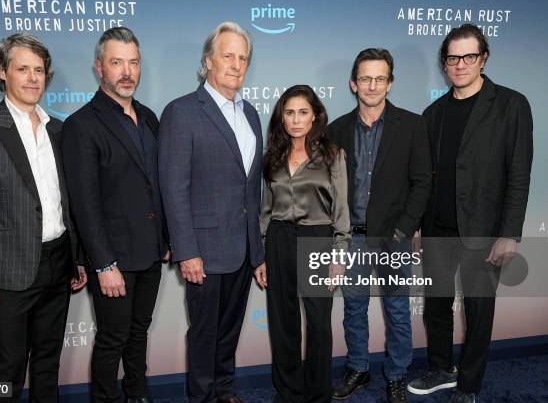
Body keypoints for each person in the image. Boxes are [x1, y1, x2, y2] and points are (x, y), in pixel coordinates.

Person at [0, 33, 87, 402]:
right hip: (8, 270)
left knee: (48, 362)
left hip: (58, 263)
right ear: (1, 73)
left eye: (39, 70)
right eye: (22, 69)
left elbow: (65, 201)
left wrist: (77, 258)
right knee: (9, 367)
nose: (32, 78)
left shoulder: (59, 129)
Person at [407, 24, 533, 403]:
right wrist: (416, 225)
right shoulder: (433, 113)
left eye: (469, 56)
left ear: (483, 59)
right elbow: (423, 177)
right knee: (437, 306)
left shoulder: (511, 105)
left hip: (485, 229)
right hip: (437, 228)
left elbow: (518, 174)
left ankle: (469, 384)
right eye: (452, 57)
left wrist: (509, 232)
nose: (460, 64)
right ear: (444, 63)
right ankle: (442, 369)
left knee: (479, 311)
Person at [61, 27, 169, 403]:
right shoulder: (81, 125)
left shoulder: (150, 117)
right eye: (117, 62)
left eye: (133, 62)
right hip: (113, 260)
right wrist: (103, 264)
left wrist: (166, 240)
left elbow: (156, 184)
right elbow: (84, 204)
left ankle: (138, 394)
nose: (127, 71)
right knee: (112, 339)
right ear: (99, 68)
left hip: (151, 252)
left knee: (139, 331)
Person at [158, 21, 264, 403]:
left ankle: (224, 390)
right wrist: (186, 250)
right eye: (228, 55)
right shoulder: (182, 112)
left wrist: (258, 252)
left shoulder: (251, 114)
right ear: (208, 61)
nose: (236, 64)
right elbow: (174, 188)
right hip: (203, 249)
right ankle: (202, 397)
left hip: (241, 249)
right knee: (204, 332)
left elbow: (252, 190)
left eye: (243, 58)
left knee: (230, 328)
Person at [327, 48, 432, 403]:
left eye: (380, 78)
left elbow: (422, 183)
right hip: (352, 239)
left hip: (394, 239)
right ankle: (358, 368)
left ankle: (397, 374)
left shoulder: (413, 125)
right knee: (353, 310)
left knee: (397, 310)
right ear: (353, 84)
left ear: (390, 82)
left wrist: (403, 231)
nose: (372, 85)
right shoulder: (336, 129)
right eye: (365, 78)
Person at [256, 85, 350, 403]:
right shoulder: (272, 158)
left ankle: (317, 394)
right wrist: (262, 255)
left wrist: (339, 255)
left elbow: (341, 213)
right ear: (282, 117)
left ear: (315, 116)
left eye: (303, 112)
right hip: (279, 241)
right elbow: (266, 211)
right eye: (289, 112)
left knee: (319, 325)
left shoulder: (333, 156)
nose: (296, 120)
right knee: (283, 323)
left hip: (317, 241)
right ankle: (288, 392)